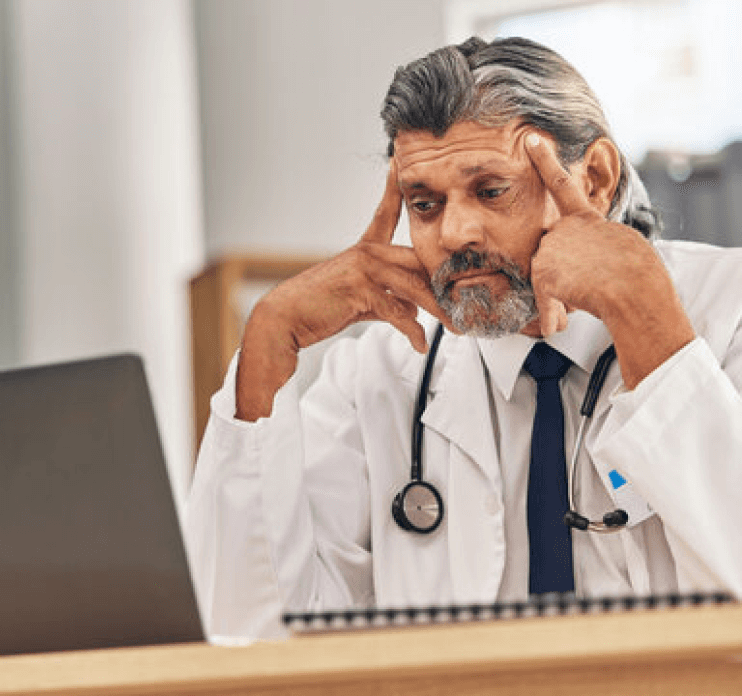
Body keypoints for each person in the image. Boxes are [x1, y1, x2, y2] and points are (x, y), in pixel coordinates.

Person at [184, 36, 742, 641]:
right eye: (424, 205)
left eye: (491, 191)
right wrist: (270, 336)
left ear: (596, 179)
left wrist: (650, 328)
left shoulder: (727, 312)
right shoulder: (379, 374)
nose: (453, 233)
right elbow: (249, 637)